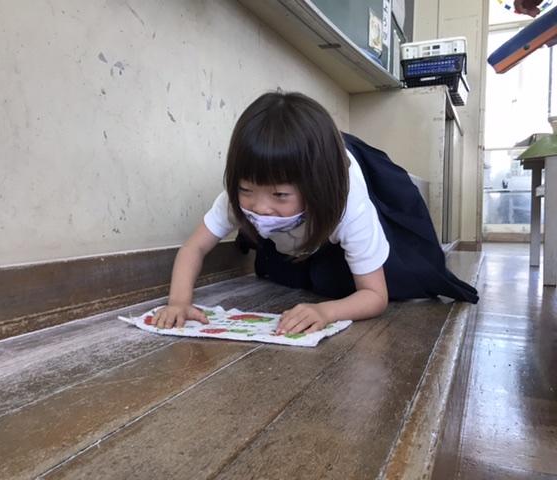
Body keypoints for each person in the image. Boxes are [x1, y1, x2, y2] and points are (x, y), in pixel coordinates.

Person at [151, 91, 478, 334]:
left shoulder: (349, 204)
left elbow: (375, 295)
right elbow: (194, 247)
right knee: (282, 270)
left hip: (351, 187)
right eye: (246, 190)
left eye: (280, 195)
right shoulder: (240, 197)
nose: (260, 207)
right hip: (306, 219)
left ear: (314, 189)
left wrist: (326, 312)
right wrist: (178, 301)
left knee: (349, 281)